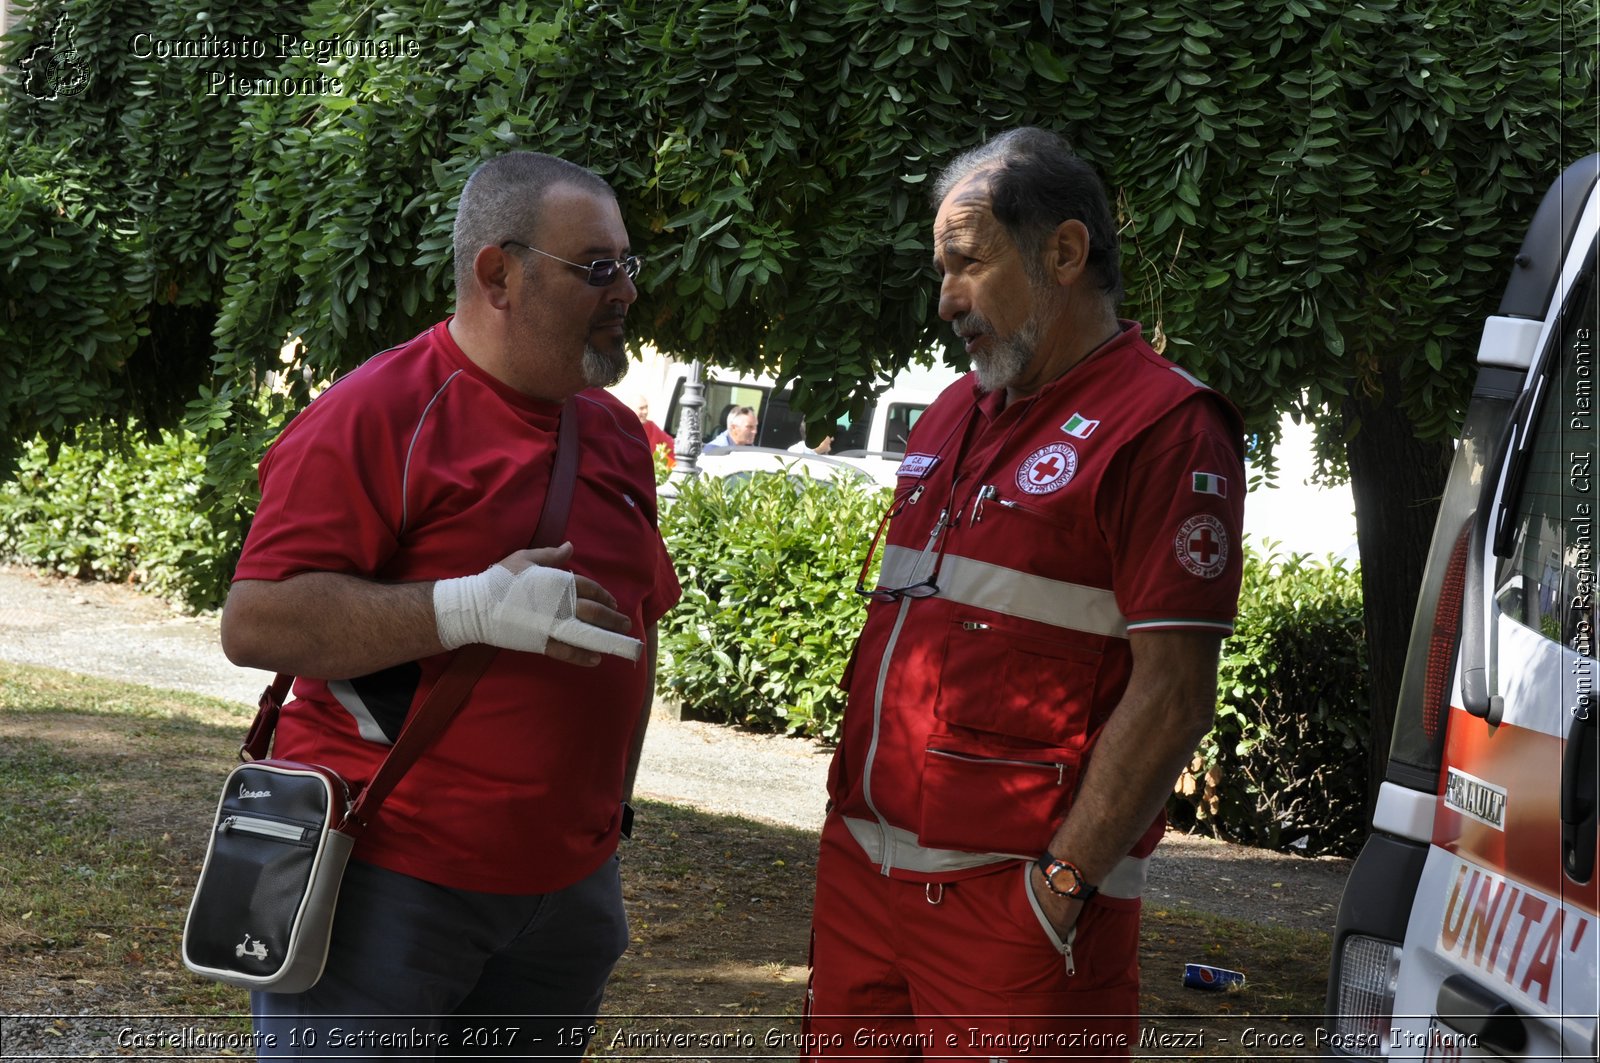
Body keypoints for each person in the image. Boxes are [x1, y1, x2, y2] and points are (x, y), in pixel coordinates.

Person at [219, 152, 680, 1058]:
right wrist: (468, 608)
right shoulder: (378, 411)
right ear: (498, 272)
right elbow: (257, 620)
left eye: (627, 263)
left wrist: (605, 824)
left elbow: (637, 628)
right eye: (597, 266)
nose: (625, 288)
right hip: (392, 884)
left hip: (567, 895)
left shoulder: (619, 435)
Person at [803, 127, 1245, 1057]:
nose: (946, 300)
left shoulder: (1164, 426)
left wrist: (1059, 891)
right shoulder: (954, 411)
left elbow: (1174, 692)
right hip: (862, 885)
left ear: (1065, 252)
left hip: (1017, 917)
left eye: (966, 263)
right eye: (941, 270)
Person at [633, 395, 675, 467]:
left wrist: (664, 466)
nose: (646, 411)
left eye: (646, 407)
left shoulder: (651, 427)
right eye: (641, 408)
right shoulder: (622, 427)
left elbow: (672, 446)